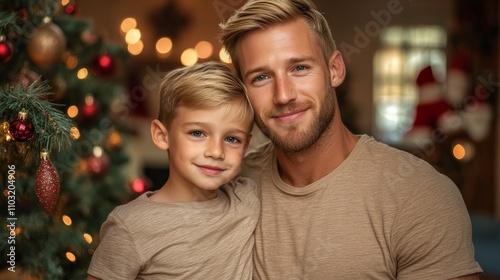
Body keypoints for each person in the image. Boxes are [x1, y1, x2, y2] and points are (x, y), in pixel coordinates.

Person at [219, 0, 483, 279]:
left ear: (335, 70)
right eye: (261, 77)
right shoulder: (229, 185)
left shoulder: (420, 197)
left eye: (299, 68)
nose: (283, 95)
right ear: (243, 93)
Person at [87, 61, 259, 279]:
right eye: (198, 133)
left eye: (232, 139)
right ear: (162, 135)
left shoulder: (247, 199)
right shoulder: (130, 227)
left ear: (246, 146)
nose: (216, 151)